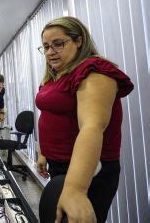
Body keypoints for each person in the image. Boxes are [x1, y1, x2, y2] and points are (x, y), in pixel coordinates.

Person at [35, 16, 134, 222]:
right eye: (45, 47)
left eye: (58, 44)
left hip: (86, 170)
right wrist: (44, 152)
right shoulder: (57, 75)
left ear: (79, 41)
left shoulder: (94, 71)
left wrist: (76, 189)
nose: (50, 52)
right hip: (59, 164)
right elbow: (50, 116)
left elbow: (92, 126)